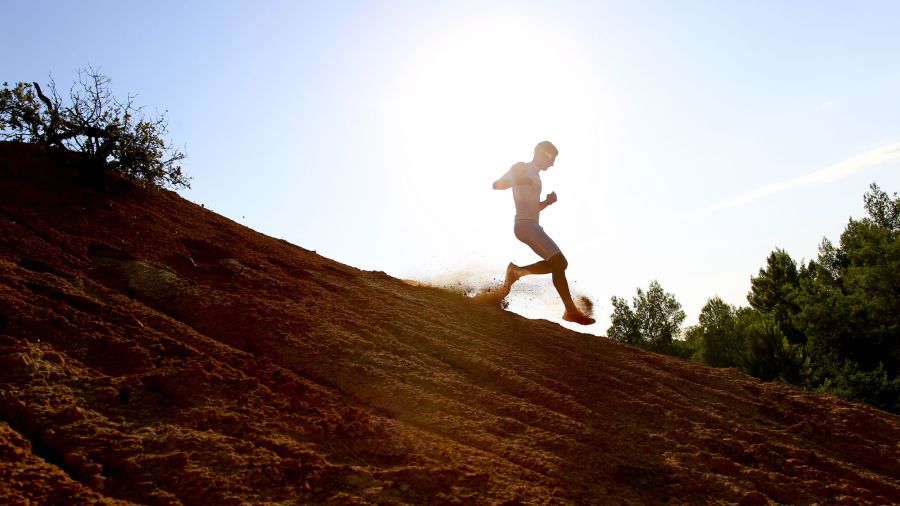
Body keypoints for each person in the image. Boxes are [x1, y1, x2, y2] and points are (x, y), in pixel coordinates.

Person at [492, 141, 595, 325]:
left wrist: (547, 202)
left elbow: (532, 207)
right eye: (551, 158)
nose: (553, 163)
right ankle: (570, 311)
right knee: (560, 262)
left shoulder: (537, 178)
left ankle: (516, 272)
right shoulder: (521, 167)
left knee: (558, 264)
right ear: (540, 153)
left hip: (533, 225)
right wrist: (518, 179)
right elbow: (496, 185)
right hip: (524, 226)